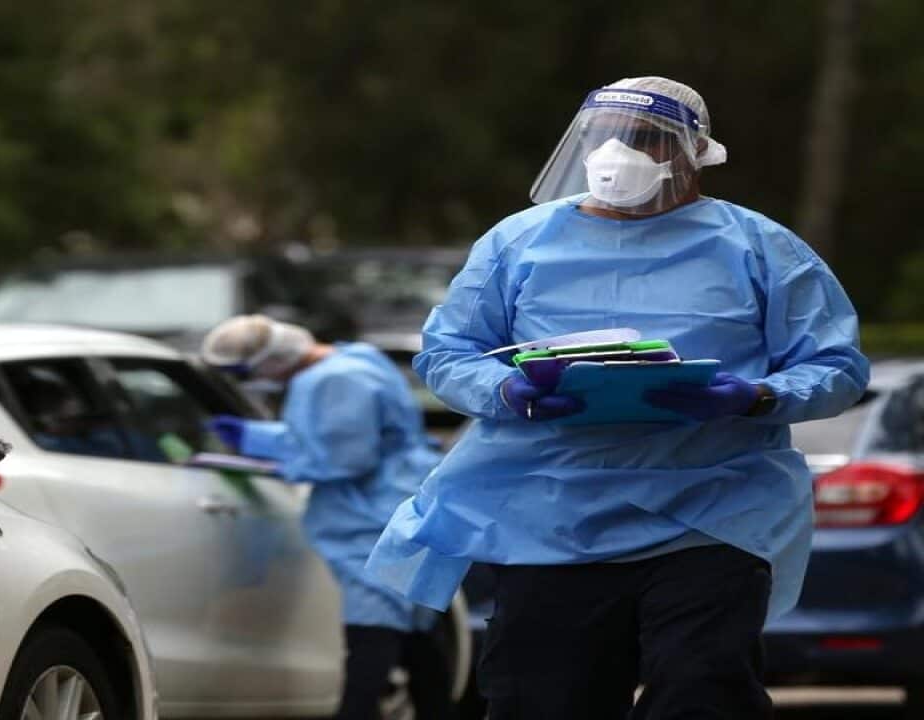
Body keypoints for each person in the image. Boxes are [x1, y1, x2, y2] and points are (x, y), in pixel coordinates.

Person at [366, 76, 871, 720]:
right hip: (549, 515)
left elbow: (835, 364)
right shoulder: (517, 242)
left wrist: (756, 397)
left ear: (694, 156)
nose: (617, 153)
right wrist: (505, 389)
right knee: (539, 700)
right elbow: (445, 352)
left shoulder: (759, 247)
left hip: (709, 511)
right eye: (602, 138)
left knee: (702, 692)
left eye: (647, 140)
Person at [201, 314, 456, 720]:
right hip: (400, 501)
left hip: (368, 515)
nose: (250, 381)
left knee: (372, 628)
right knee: (415, 630)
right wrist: (252, 437)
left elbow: (344, 457)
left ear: (269, 361)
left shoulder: (330, 380)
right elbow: (325, 435)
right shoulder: (355, 360)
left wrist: (283, 468)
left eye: (244, 373)